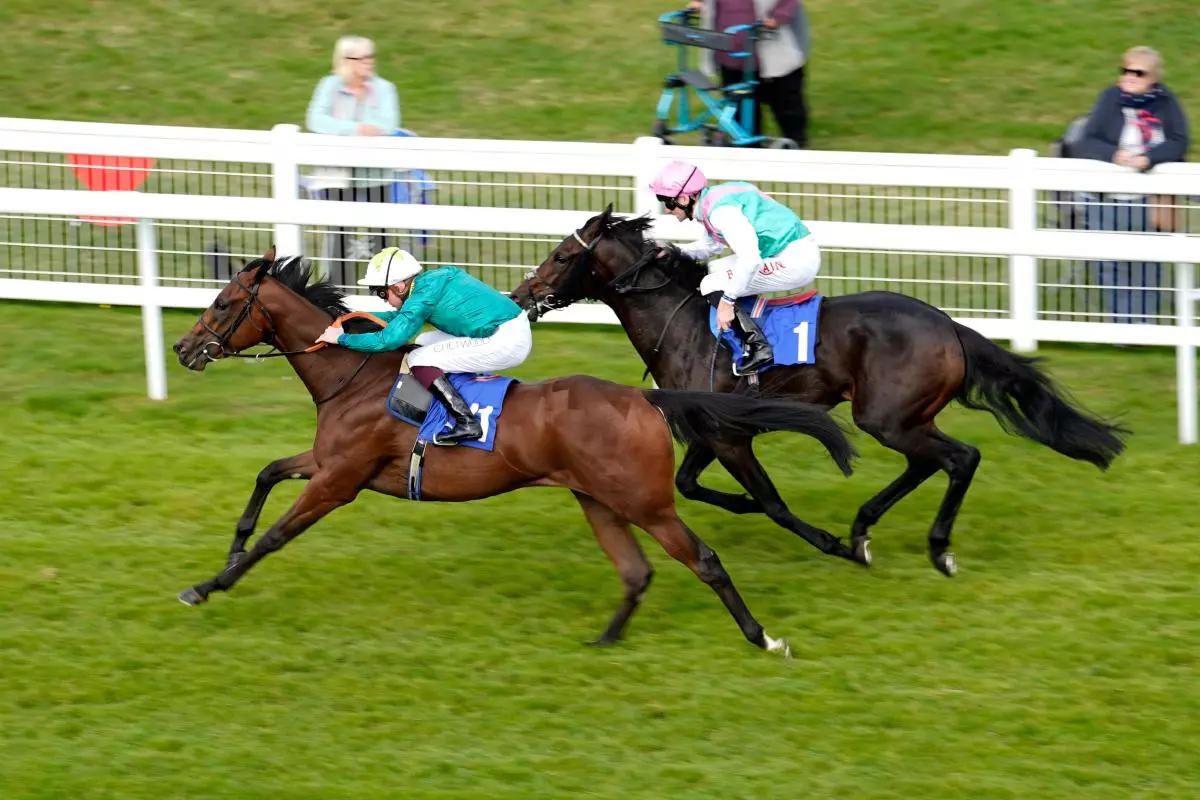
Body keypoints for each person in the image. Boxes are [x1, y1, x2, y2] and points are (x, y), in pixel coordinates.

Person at [316, 248, 533, 445]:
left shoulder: (422, 298)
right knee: (422, 343)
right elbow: (399, 317)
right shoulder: (425, 284)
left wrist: (342, 339)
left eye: (381, 292)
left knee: (418, 359)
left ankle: (467, 421)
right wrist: (349, 317)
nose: (382, 299)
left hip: (506, 340)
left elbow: (388, 340)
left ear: (399, 287)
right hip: (504, 328)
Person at [650, 159, 820, 376]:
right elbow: (708, 247)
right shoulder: (711, 202)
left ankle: (758, 347)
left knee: (712, 282)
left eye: (666, 201)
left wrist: (727, 302)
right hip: (785, 252)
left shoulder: (721, 213)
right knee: (714, 268)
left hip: (796, 260)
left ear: (683, 198)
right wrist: (675, 251)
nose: (666, 210)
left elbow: (750, 260)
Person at [1071, 46, 1189, 324]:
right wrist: (1116, 155)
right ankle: (1121, 324)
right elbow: (1088, 141)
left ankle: (1144, 324)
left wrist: (1147, 158)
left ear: (1153, 78)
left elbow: (1178, 141)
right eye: (1125, 70)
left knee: (1148, 263)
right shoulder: (1110, 99)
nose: (1129, 76)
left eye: (1138, 72)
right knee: (1112, 263)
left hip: (1150, 199)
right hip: (1108, 197)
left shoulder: (1166, 102)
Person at [305, 36, 401, 282]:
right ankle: (338, 288)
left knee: (379, 232)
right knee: (338, 231)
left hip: (376, 172)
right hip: (337, 174)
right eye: (363, 58)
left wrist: (349, 129)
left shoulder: (384, 89)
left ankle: (385, 287)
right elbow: (316, 120)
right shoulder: (329, 85)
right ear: (347, 61)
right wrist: (356, 129)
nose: (369, 62)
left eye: (371, 56)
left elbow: (388, 124)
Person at [690, 0, 810, 147]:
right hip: (731, 53)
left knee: (786, 103)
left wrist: (778, 18)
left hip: (773, 48)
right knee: (739, 105)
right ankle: (749, 146)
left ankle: (796, 143)